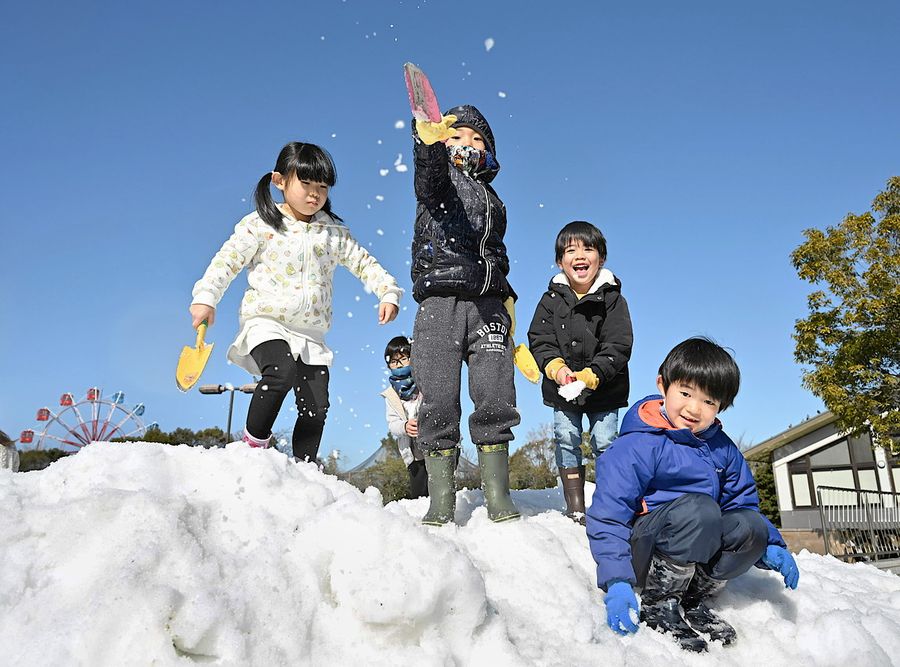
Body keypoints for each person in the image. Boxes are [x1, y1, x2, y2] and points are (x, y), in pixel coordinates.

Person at [190, 142, 402, 462]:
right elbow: (226, 262)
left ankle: (305, 470)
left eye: (323, 186)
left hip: (311, 335)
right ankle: (252, 450)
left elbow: (365, 264)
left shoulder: (333, 233)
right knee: (279, 372)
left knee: (316, 408)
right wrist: (206, 298)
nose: (315, 194)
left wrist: (388, 292)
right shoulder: (261, 223)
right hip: (266, 322)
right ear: (280, 181)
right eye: (306, 183)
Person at [587, 337, 800, 652]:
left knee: (749, 525)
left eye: (708, 402)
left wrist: (766, 545)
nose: (693, 408)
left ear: (720, 407)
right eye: (685, 393)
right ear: (663, 385)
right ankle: (660, 602)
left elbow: (741, 504)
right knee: (700, 510)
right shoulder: (637, 445)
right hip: (646, 554)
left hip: (697, 540)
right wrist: (617, 581)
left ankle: (694, 597)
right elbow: (609, 514)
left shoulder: (722, 449)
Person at [410, 105, 520, 525]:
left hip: (489, 302)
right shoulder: (441, 182)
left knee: (495, 394)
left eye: (478, 140)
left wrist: (507, 299)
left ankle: (497, 493)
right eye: (458, 136)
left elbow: (497, 253)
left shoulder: (495, 199)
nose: (469, 144)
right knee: (437, 395)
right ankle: (441, 497)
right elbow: (429, 175)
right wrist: (428, 142)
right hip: (440, 301)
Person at [527, 221, 633, 523]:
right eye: (571, 250)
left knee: (605, 440)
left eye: (588, 248)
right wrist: (556, 369)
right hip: (563, 389)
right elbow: (540, 339)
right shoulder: (550, 300)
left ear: (601, 257)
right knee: (565, 436)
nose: (580, 255)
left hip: (605, 388)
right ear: (561, 261)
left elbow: (619, 344)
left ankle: (611, 503)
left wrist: (591, 374)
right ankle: (575, 506)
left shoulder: (613, 300)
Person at [381, 336, 428, 498]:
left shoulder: (425, 382)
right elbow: (392, 423)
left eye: (403, 359)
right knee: (419, 496)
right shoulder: (391, 395)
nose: (399, 364)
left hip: (435, 447)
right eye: (394, 361)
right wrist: (405, 426)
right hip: (413, 454)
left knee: (441, 490)